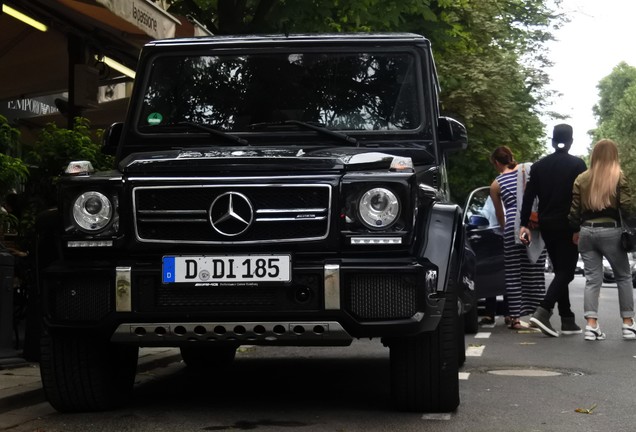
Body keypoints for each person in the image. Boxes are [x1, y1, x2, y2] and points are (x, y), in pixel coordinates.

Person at [520, 123, 587, 337]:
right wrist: (580, 225)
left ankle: (567, 319)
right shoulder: (578, 165)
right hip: (569, 224)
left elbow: (529, 196)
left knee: (560, 270)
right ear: (571, 141)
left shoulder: (539, 167)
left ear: (552, 140)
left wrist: (523, 224)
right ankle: (543, 310)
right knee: (567, 271)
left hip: (547, 224)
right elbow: (582, 198)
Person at [568, 139, 635, 340]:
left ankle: (591, 325)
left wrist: (574, 228)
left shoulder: (582, 178)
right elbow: (628, 207)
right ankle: (628, 324)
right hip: (611, 231)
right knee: (623, 276)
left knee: (592, 279)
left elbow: (573, 211)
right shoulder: (619, 177)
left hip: (586, 232)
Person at [490, 146, 546, 329]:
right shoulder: (527, 170)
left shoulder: (496, 184)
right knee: (535, 270)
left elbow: (500, 215)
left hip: (513, 229)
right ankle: (538, 315)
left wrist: (505, 229)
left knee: (514, 274)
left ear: (497, 163)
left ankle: (514, 317)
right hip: (533, 225)